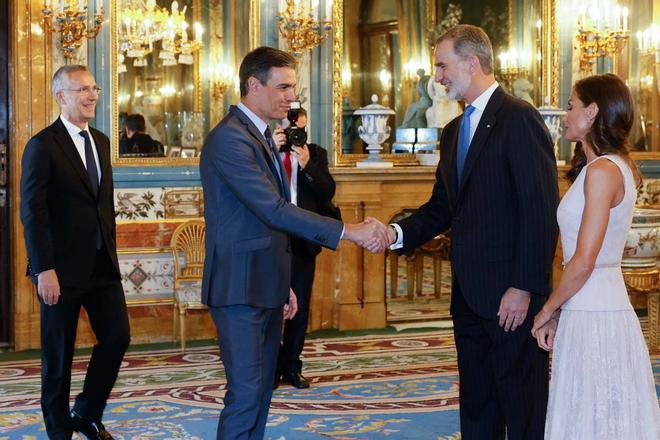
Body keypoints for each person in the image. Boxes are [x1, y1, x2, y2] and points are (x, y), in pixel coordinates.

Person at [368, 25, 559, 439]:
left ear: (472, 63)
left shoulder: (518, 117)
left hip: (512, 296)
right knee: (477, 403)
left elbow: (540, 211)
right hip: (469, 296)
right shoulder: (454, 131)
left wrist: (523, 287)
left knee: (523, 403)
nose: (436, 76)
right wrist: (393, 233)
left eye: (442, 64)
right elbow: (443, 206)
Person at [199, 46, 385, 440]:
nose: (291, 97)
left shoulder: (260, 135)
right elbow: (274, 210)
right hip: (239, 288)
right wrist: (348, 231)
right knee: (247, 394)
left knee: (262, 392)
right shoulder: (230, 139)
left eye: (293, 88)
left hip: (262, 283)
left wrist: (282, 282)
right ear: (253, 85)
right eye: (283, 87)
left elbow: (265, 224)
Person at [532, 73, 660, 439]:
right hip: (592, 307)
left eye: (571, 105)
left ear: (592, 112)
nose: (566, 113)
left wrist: (547, 309)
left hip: (595, 312)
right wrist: (560, 309)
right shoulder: (606, 166)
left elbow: (584, 261)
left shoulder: (602, 171)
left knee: (593, 417)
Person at [20, 65, 130, 440]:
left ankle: (86, 412)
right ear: (60, 96)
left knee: (117, 338)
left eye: (94, 88)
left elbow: (103, 205)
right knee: (58, 358)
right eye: (82, 89)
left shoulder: (100, 141)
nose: (91, 95)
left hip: (102, 266)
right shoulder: (42, 145)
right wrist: (43, 269)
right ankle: (58, 431)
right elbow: (31, 213)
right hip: (60, 271)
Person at [270, 107, 337, 389]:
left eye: (300, 128)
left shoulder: (316, 154)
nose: (294, 133)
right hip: (272, 239)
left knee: (301, 308)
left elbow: (327, 191)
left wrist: (307, 164)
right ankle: (272, 367)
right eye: (289, 127)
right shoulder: (264, 150)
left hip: (303, 240)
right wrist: (270, 151)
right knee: (273, 305)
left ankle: (293, 366)